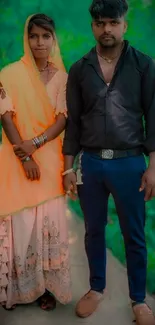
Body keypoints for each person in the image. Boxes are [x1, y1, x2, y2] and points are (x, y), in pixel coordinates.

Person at [62, 0, 155, 324]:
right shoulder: (79, 69)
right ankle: (96, 288)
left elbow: (153, 118)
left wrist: (153, 166)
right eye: (100, 23)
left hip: (130, 163)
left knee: (134, 233)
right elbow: (73, 122)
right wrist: (69, 167)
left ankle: (138, 300)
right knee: (93, 231)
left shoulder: (144, 65)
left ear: (124, 25)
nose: (107, 29)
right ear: (93, 27)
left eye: (113, 23)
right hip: (91, 164)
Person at [0, 13, 71, 310]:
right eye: (34, 36)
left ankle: (45, 288)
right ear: (26, 39)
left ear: (54, 40)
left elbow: (63, 118)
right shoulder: (10, 73)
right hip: (17, 159)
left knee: (47, 223)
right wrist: (26, 154)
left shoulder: (63, 78)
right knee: (21, 222)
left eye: (45, 36)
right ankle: (17, 289)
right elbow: (6, 115)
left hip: (50, 160)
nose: (39, 42)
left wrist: (38, 144)